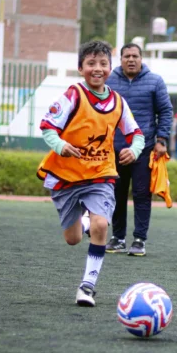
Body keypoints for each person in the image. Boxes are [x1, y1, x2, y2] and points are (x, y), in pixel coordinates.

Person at [37, 40, 144, 307]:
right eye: (91, 63)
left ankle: (87, 286)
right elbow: (48, 127)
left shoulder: (118, 102)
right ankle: (83, 223)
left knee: (101, 225)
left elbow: (137, 134)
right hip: (66, 177)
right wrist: (61, 146)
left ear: (110, 68)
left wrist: (134, 150)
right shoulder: (73, 95)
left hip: (100, 174)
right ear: (81, 68)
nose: (97, 68)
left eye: (103, 63)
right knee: (72, 239)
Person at [104, 43, 173, 256]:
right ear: (121, 59)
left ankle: (139, 239)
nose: (131, 60)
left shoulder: (155, 81)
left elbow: (166, 111)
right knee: (116, 194)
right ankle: (118, 238)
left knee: (142, 194)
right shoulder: (109, 80)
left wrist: (161, 139)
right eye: (127, 56)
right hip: (115, 149)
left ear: (141, 59)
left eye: (135, 56)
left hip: (144, 149)